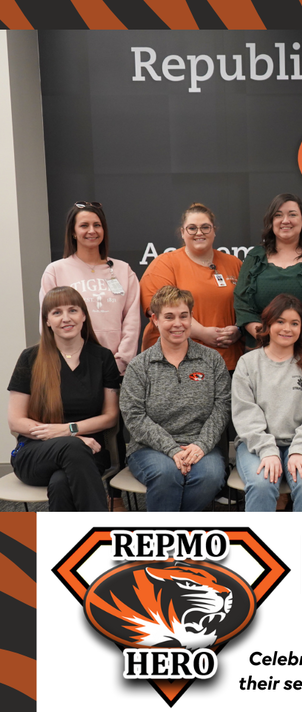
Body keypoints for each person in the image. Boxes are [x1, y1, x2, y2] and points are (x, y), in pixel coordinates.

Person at [7, 287, 120, 511]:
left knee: (61, 484)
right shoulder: (30, 358)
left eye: (73, 310)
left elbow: (110, 417)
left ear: (84, 316)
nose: (66, 318)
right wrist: (68, 438)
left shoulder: (102, 357)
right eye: (57, 312)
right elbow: (16, 421)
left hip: (91, 450)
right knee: (73, 447)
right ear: (47, 321)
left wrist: (68, 430)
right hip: (36, 452)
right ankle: (101, 528)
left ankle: (66, 535)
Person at [120, 286, 230, 511]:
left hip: (200, 445)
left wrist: (201, 445)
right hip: (150, 448)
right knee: (166, 473)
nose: (177, 324)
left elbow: (222, 407)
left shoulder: (212, 360)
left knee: (210, 476)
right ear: (155, 320)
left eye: (183, 316)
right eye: (169, 317)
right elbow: (134, 417)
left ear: (191, 318)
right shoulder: (140, 366)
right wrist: (172, 449)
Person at [232, 294, 302, 512]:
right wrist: (267, 450)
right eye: (280, 321)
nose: (287, 329)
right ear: (268, 324)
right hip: (256, 444)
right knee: (262, 483)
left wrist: (299, 449)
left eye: (295, 323)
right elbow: (245, 414)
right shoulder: (248, 363)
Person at [235, 193, 302, 363]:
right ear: (271, 221)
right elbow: (242, 306)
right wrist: (271, 343)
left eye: (292, 214)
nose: (285, 220)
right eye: (278, 215)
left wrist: (300, 342)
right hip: (263, 353)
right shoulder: (255, 257)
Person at [139, 203, 243, 371]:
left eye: (205, 227)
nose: (199, 233)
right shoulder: (164, 264)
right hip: (176, 363)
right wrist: (202, 333)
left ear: (214, 231)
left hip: (227, 360)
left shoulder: (234, 264)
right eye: (192, 228)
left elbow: (248, 305)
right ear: (182, 232)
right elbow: (158, 310)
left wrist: (239, 329)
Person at [40, 202, 140, 375]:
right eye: (84, 225)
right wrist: (67, 363)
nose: (92, 231)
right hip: (70, 368)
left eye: (97, 225)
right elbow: (46, 322)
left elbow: (132, 321)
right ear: (73, 232)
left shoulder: (123, 270)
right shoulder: (55, 271)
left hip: (117, 370)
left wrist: (120, 362)